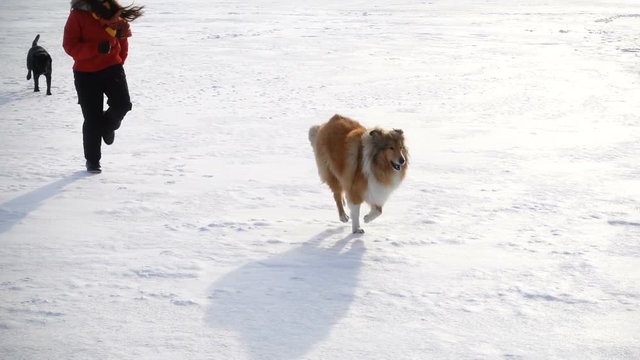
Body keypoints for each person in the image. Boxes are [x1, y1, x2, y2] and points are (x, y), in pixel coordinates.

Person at [63, 0, 144, 173]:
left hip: (112, 68)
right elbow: (69, 46)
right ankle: (93, 162)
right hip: (85, 74)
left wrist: (119, 60)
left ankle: (107, 128)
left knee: (122, 105)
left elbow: (122, 40)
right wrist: (96, 48)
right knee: (92, 119)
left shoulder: (112, 10)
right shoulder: (78, 14)